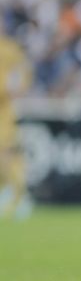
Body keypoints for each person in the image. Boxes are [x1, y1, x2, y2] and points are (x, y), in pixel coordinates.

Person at [0, 32, 32, 220]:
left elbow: (23, 69)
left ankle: (16, 195)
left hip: (3, 109)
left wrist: (19, 88)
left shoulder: (8, 47)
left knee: (6, 152)